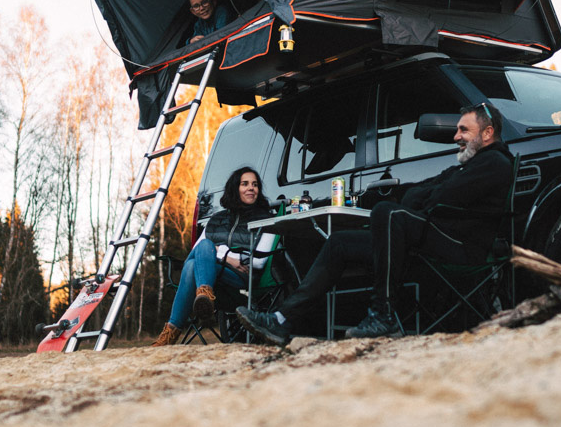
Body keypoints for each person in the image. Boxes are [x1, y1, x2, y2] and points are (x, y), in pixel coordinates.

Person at [236, 103, 514, 345]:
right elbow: (425, 189)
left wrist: (419, 199)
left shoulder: (495, 163)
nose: (456, 136)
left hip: (461, 250)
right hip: (431, 241)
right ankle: (282, 319)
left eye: (464, 130)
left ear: (487, 133)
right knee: (340, 242)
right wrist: (421, 197)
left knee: (388, 212)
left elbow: (443, 194)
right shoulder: (468, 165)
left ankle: (384, 315)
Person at [152, 167, 275, 346]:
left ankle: (171, 332)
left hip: (242, 279)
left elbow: (259, 261)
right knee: (198, 256)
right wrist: (228, 257)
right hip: (216, 273)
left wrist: (220, 252)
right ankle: (204, 294)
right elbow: (199, 250)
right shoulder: (216, 219)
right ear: (235, 188)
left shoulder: (264, 219)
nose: (251, 188)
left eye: (255, 185)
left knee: (194, 263)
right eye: (245, 184)